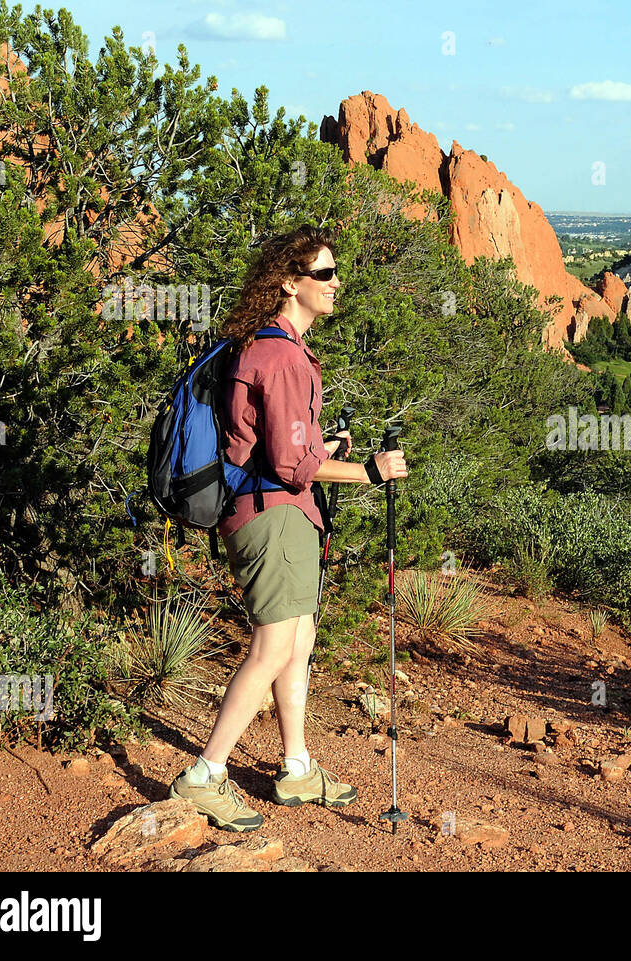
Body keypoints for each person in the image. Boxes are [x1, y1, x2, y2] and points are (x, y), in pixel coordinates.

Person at [168, 225, 408, 832]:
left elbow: (279, 447)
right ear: (289, 283)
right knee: (274, 645)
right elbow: (285, 465)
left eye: (334, 272)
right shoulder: (279, 354)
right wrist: (369, 472)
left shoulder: (272, 349)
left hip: (279, 513)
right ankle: (205, 774)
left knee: (297, 642)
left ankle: (296, 767)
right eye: (323, 274)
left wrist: (323, 445)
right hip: (271, 518)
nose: (335, 283)